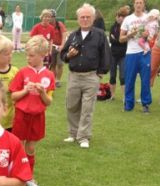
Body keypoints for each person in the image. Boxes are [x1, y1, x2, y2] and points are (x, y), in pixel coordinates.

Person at [61, 3, 110, 148]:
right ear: (78, 19)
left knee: (87, 108)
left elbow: (106, 55)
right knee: (72, 106)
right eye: (82, 17)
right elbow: (63, 55)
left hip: (91, 76)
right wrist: (69, 55)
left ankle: (83, 137)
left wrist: (101, 73)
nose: (85, 19)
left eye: (88, 17)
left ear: (93, 18)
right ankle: (73, 133)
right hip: (74, 76)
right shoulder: (73, 35)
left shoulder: (100, 35)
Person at [9, 35, 55, 186]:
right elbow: (13, 96)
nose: (28, 58)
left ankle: (28, 177)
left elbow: (48, 102)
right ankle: (15, 177)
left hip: (38, 116)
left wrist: (42, 92)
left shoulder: (49, 75)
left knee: (30, 148)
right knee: (18, 146)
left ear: (43, 55)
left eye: (31, 55)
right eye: (27, 55)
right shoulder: (22, 73)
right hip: (22, 115)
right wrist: (25, 90)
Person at [120, 0, 151, 113]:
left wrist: (147, 36)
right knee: (129, 79)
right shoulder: (128, 19)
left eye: (140, 3)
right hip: (131, 53)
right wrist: (130, 35)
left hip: (145, 52)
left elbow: (154, 36)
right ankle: (128, 105)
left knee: (145, 80)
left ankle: (145, 104)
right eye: (136, 2)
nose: (138, 5)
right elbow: (121, 39)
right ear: (134, 5)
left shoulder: (148, 18)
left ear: (144, 5)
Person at [109, 6, 129, 101]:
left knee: (122, 76)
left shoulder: (127, 28)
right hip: (113, 54)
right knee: (112, 75)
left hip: (123, 54)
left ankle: (125, 96)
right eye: (118, 16)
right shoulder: (113, 27)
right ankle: (112, 95)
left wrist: (117, 39)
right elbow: (111, 39)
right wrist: (119, 40)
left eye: (121, 16)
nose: (118, 18)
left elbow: (124, 41)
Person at [49, 9, 67, 87]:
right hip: (51, 47)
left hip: (60, 46)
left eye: (51, 17)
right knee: (52, 64)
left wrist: (62, 45)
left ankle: (58, 80)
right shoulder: (48, 25)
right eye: (49, 17)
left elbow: (64, 34)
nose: (50, 18)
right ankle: (53, 80)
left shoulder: (59, 24)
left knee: (60, 64)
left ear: (54, 17)